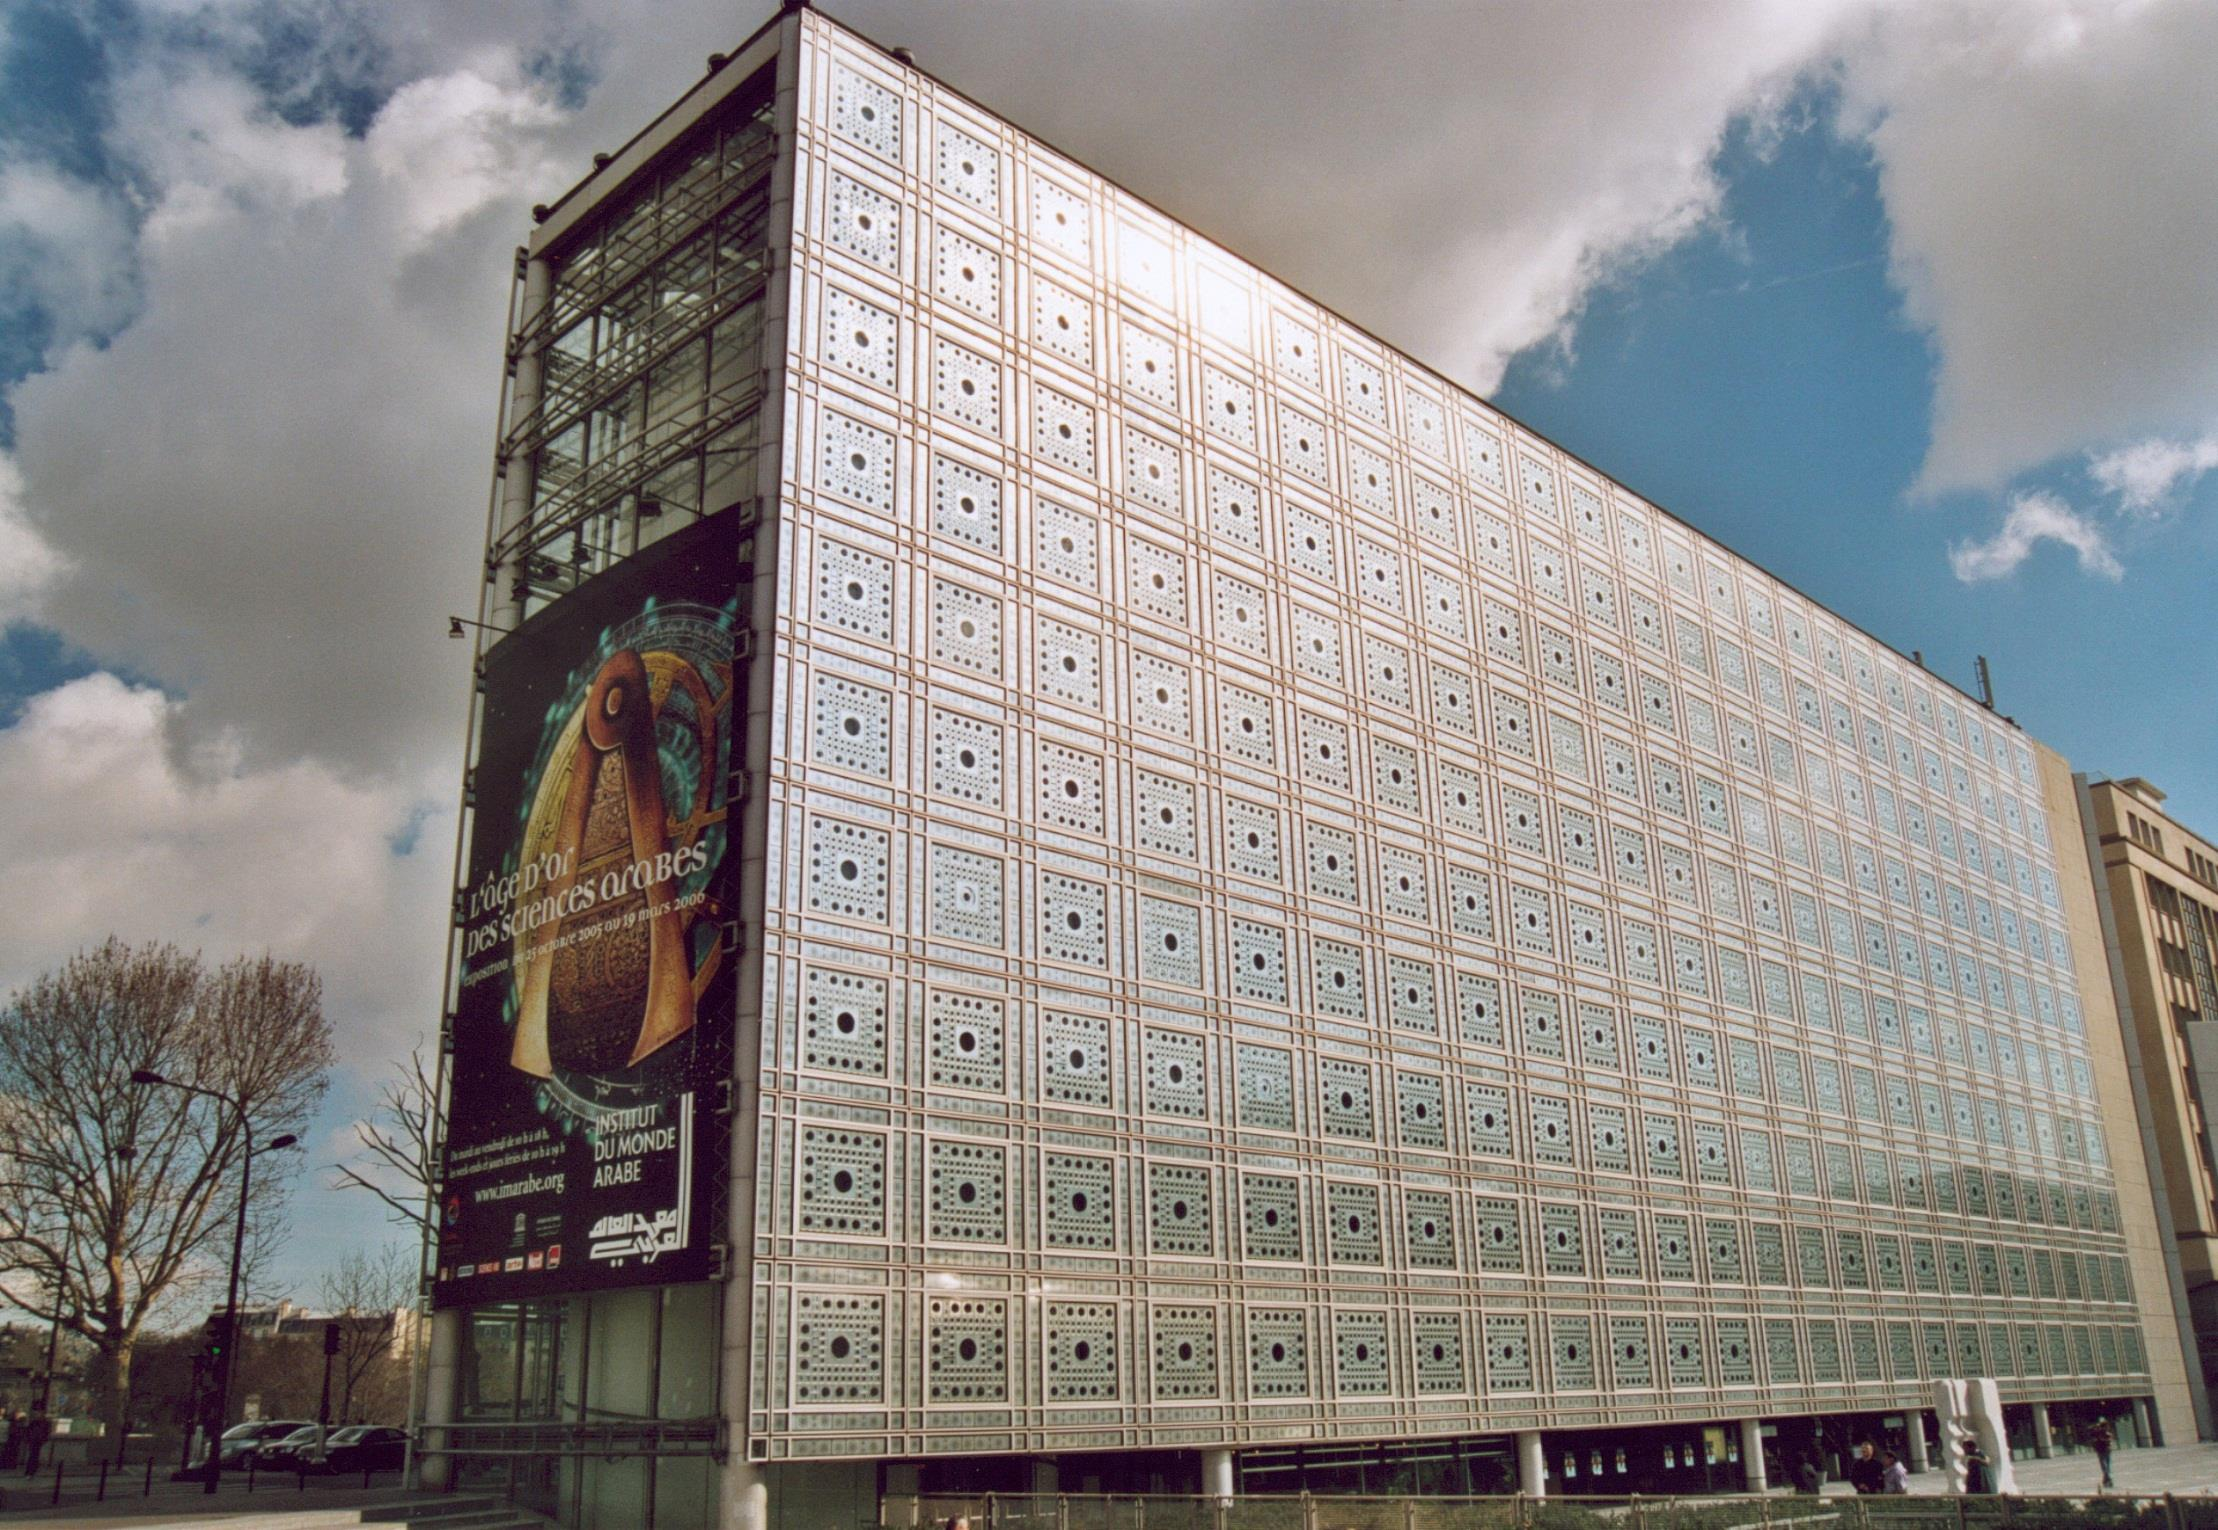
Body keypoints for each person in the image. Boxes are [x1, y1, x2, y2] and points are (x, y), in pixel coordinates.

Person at [2089, 1417, 2116, 1489]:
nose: (2107, 1427)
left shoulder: (2106, 1432)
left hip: (2106, 1450)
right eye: (2106, 1426)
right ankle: (2108, 1480)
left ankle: (2106, 1480)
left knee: (2106, 1466)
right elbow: (2093, 1435)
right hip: (2102, 1450)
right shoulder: (2099, 1432)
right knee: (2105, 1466)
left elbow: (2110, 1439)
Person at [20, 1410, 49, 1476]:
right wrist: (28, 1439)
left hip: (37, 1441)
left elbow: (46, 1433)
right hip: (33, 1441)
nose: (37, 1416)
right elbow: (28, 1431)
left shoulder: (44, 1423)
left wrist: (43, 1440)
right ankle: (30, 1470)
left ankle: (31, 1470)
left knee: (34, 1456)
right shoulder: (34, 1423)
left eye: (39, 1414)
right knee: (33, 1456)